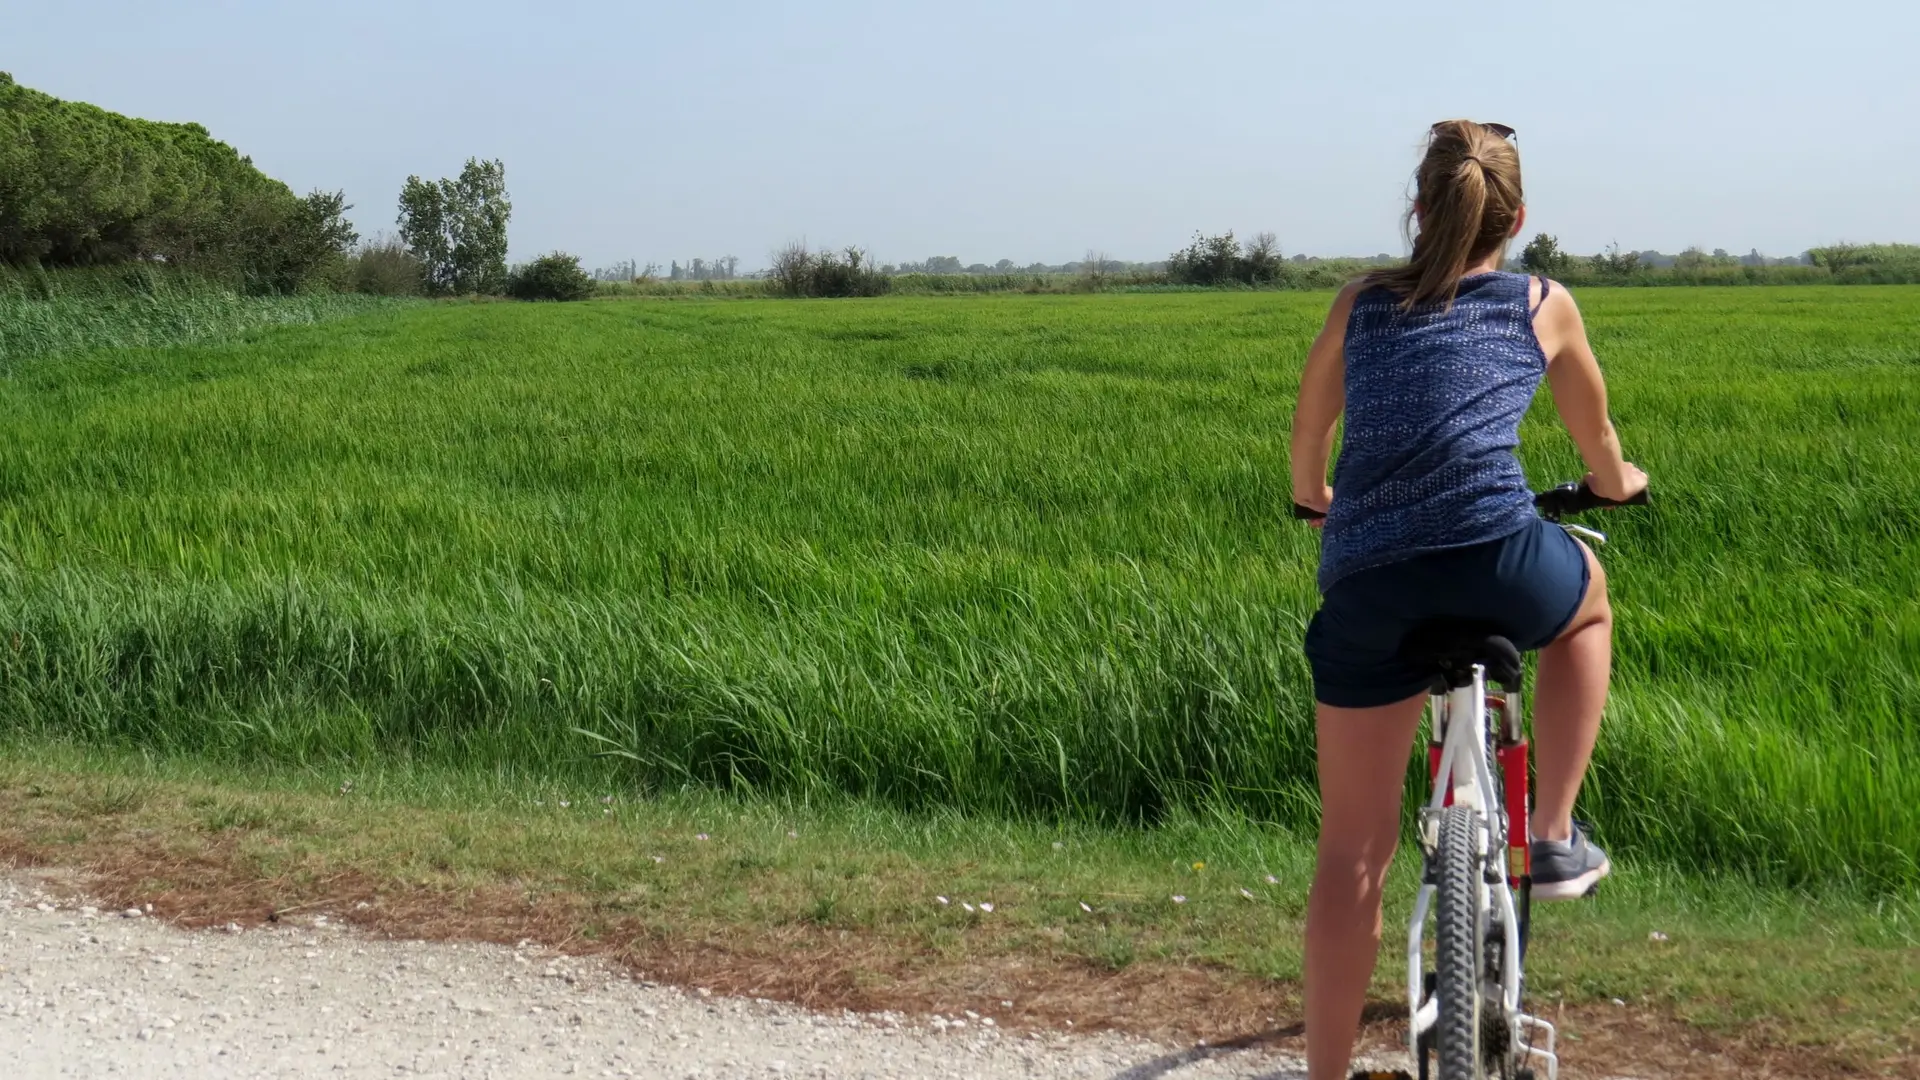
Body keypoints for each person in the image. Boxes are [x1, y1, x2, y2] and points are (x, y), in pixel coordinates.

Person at [1287, 119, 1649, 1080]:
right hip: (1497, 557)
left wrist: (1316, 498)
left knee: (1351, 850)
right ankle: (1554, 832)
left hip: (1369, 584)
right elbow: (1600, 443)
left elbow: (1310, 432)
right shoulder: (1542, 302)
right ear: (1516, 218)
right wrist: (1618, 484)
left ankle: (1324, 1074)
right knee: (1590, 602)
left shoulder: (1359, 302)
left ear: (1418, 208)